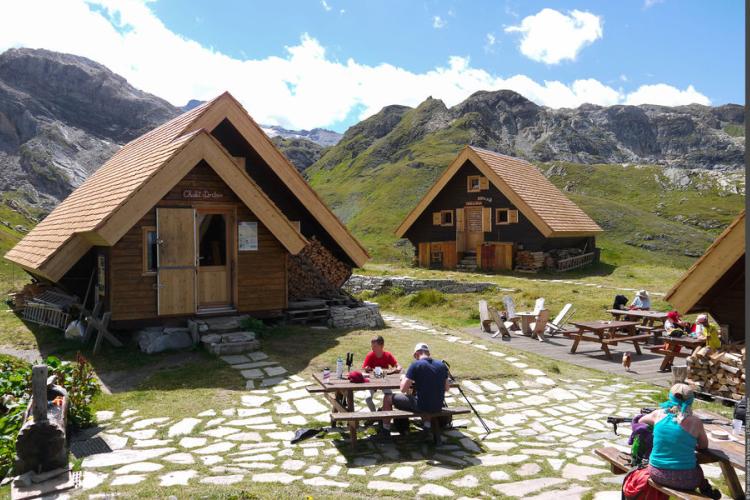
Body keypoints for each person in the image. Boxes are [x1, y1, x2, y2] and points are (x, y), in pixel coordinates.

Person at [638, 383, 721, 498]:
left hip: (656, 473)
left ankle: (706, 489)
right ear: (691, 401)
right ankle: (706, 490)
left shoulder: (657, 414)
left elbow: (640, 421)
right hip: (686, 479)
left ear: (670, 397)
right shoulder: (695, 422)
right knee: (697, 467)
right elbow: (703, 446)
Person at [394, 343, 450, 433]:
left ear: (416, 354)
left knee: (389, 398)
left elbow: (403, 389)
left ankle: (387, 429)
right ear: (428, 353)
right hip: (438, 406)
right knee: (426, 398)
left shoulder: (415, 365)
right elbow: (447, 388)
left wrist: (403, 378)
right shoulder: (442, 365)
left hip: (422, 406)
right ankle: (427, 426)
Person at [361, 335, 401, 435]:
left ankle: (384, 417)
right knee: (367, 398)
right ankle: (376, 416)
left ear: (381, 346)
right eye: (372, 346)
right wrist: (366, 368)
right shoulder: (370, 355)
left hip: (384, 380)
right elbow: (364, 368)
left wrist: (398, 367)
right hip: (372, 381)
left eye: (374, 346)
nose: (372, 348)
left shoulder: (387, 355)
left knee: (389, 397)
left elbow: (397, 365)